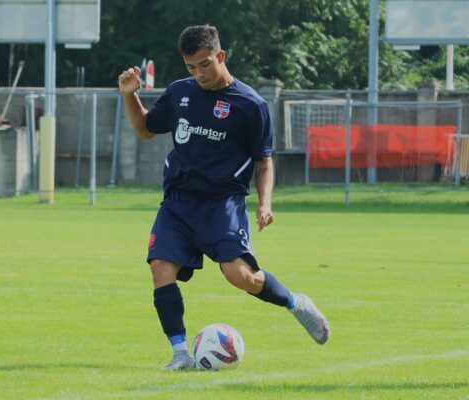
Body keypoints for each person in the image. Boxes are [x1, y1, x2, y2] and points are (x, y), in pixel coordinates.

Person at [118, 24, 330, 370]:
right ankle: (181, 354)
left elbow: (263, 161)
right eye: (191, 67)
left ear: (220, 55)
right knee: (160, 267)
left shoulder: (251, 105)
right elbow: (145, 129)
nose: (198, 73)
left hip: (223, 204)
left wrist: (265, 203)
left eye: (204, 64)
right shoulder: (180, 93)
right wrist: (130, 94)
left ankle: (296, 303)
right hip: (178, 201)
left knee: (239, 275)